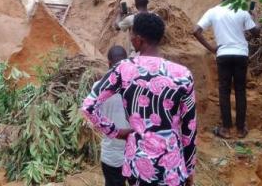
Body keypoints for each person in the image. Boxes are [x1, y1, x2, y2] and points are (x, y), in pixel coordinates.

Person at [83, 13, 197, 186]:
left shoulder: (123, 70)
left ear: (138, 40)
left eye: (131, 35)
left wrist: (115, 132)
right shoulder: (183, 74)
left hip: (138, 165)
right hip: (171, 166)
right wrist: (189, 168)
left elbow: (89, 106)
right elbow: (189, 128)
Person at [192, 0, 260, 139]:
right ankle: (241, 129)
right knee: (240, 91)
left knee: (224, 91)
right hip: (241, 54)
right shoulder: (242, 10)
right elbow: (256, 33)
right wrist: (255, 16)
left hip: (223, 54)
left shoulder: (213, 11)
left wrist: (212, 48)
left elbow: (196, 31)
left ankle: (226, 129)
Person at [99, 46, 130, 186]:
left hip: (111, 154)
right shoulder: (138, 87)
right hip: (135, 151)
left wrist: (114, 132)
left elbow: (91, 115)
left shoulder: (98, 88)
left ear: (109, 64)